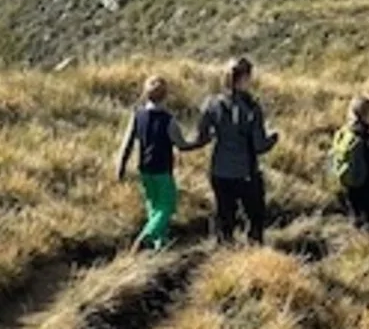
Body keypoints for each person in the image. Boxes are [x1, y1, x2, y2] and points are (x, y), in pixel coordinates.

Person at [193, 56, 279, 245]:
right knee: (255, 216)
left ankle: (224, 253)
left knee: (225, 216)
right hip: (245, 172)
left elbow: (201, 137)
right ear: (244, 78)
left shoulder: (211, 103)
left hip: (219, 170)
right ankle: (253, 255)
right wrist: (273, 138)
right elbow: (259, 146)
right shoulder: (252, 107)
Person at [115, 75, 201, 252]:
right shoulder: (168, 120)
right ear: (166, 95)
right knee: (167, 205)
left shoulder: (137, 115)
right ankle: (148, 235)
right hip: (162, 169)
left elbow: (127, 143)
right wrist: (202, 141)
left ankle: (159, 243)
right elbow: (182, 145)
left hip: (145, 168)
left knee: (153, 205)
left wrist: (121, 167)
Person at [331, 94, 369, 234]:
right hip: (368, 187)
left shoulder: (344, 133)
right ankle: (367, 249)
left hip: (348, 183)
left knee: (355, 218)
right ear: (368, 114)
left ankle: (356, 240)